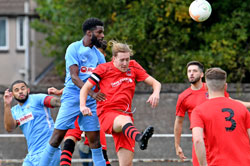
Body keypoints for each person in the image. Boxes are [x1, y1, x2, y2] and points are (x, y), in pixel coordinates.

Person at [79, 40, 161, 166]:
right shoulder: (103, 69)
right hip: (107, 113)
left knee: (127, 164)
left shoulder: (133, 67)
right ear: (113, 58)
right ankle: (140, 138)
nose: (125, 63)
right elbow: (85, 88)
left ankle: (139, 137)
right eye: (122, 60)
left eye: (127, 59)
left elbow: (156, 83)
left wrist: (155, 93)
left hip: (127, 122)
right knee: (124, 119)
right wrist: (83, 106)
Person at [39, 17, 106, 166]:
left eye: (103, 33)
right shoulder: (73, 48)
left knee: (95, 142)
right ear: (89, 33)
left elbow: (104, 80)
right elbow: (74, 78)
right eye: (99, 32)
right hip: (72, 98)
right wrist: (92, 93)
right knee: (57, 138)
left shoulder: (99, 56)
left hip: (90, 102)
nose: (102, 36)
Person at [174, 61, 250, 165]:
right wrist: (177, 144)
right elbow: (179, 122)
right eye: (189, 71)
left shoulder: (214, 88)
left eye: (194, 71)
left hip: (220, 139)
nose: (191, 73)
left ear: (202, 75)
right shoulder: (184, 97)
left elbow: (231, 102)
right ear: (225, 86)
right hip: (203, 142)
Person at [3, 80, 61, 166]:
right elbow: (9, 128)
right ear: (12, 94)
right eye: (16, 90)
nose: (20, 91)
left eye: (23, 88)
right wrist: (7, 105)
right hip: (31, 155)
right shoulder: (14, 111)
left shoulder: (37, 98)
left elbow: (55, 102)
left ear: (28, 90)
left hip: (48, 150)